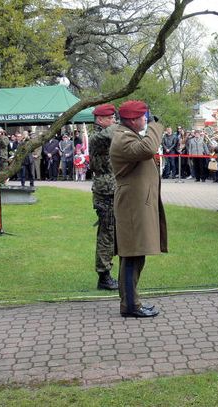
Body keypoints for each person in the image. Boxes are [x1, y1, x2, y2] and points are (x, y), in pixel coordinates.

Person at [110, 100, 167, 318]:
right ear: (133, 119)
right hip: (132, 206)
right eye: (144, 116)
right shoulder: (123, 138)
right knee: (132, 254)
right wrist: (155, 125)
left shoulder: (127, 135)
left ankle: (131, 302)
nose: (146, 119)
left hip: (136, 203)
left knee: (135, 254)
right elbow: (148, 148)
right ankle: (131, 305)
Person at [88, 104, 119, 291]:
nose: (114, 120)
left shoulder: (106, 133)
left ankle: (106, 272)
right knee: (106, 234)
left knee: (111, 232)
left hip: (111, 189)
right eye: (111, 117)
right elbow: (114, 132)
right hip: (105, 191)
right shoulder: (97, 136)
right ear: (100, 119)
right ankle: (104, 276)